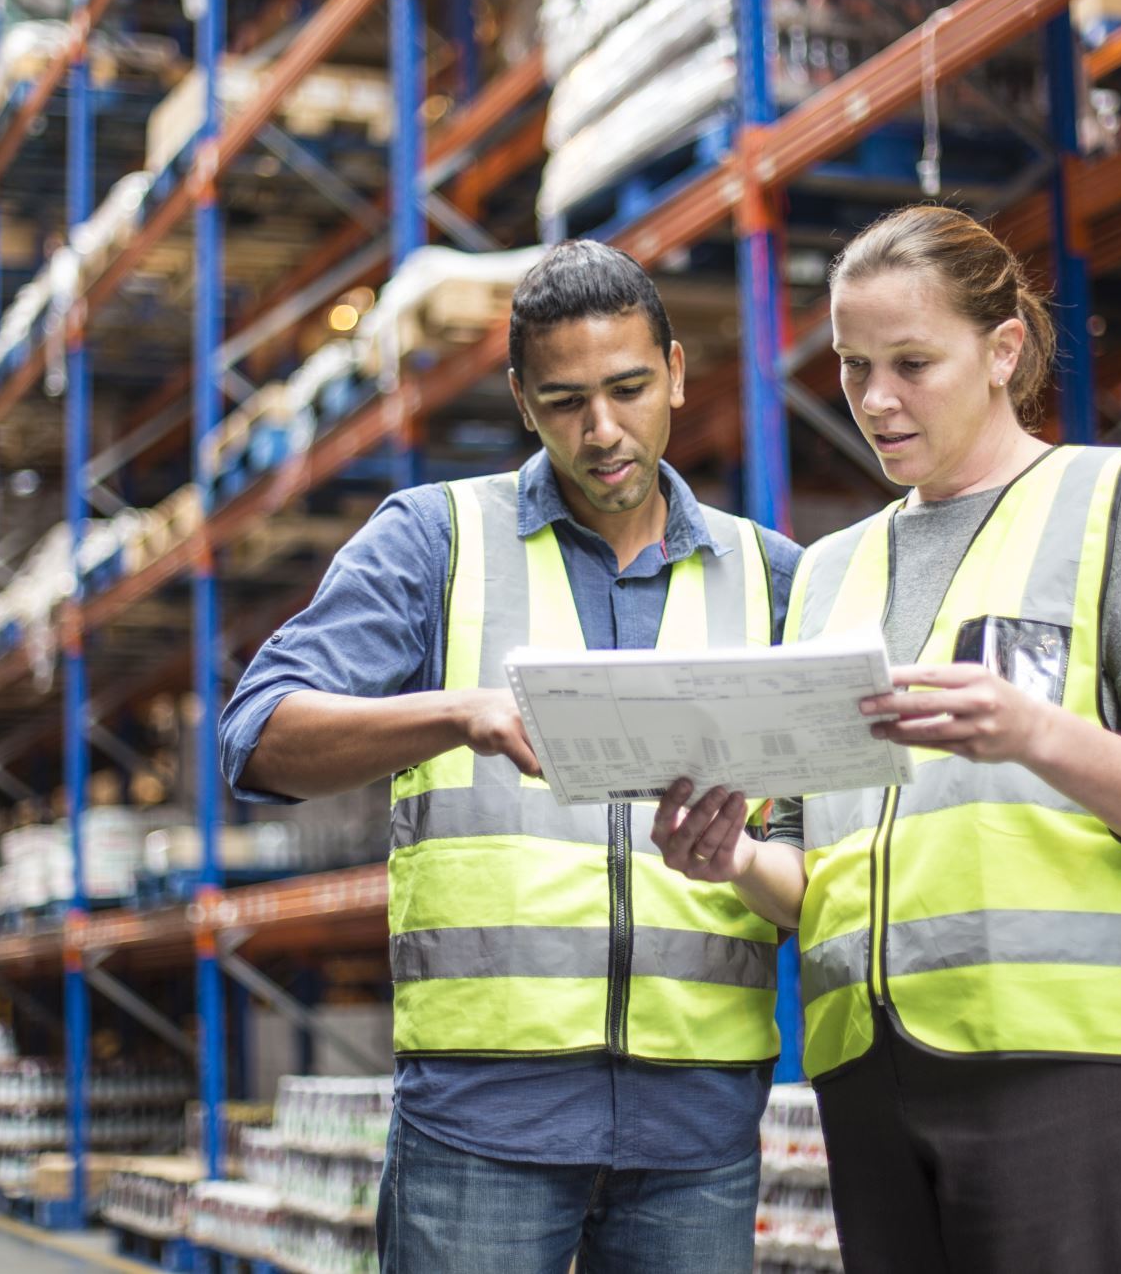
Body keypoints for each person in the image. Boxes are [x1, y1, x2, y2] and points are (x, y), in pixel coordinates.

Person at [653, 204, 1121, 1273]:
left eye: (911, 363)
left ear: (1002, 349)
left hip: (1066, 1058)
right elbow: (810, 866)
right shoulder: (829, 573)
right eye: (851, 365)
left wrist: (1035, 734)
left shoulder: (1113, 504)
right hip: (869, 1070)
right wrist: (734, 858)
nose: (875, 401)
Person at [218, 239, 803, 1274]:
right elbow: (258, 739)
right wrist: (458, 716)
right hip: (482, 1121)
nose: (603, 431)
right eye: (566, 400)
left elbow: (822, 861)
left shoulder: (773, 578)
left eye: (628, 389)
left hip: (697, 1124)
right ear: (520, 402)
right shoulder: (436, 542)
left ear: (674, 369)